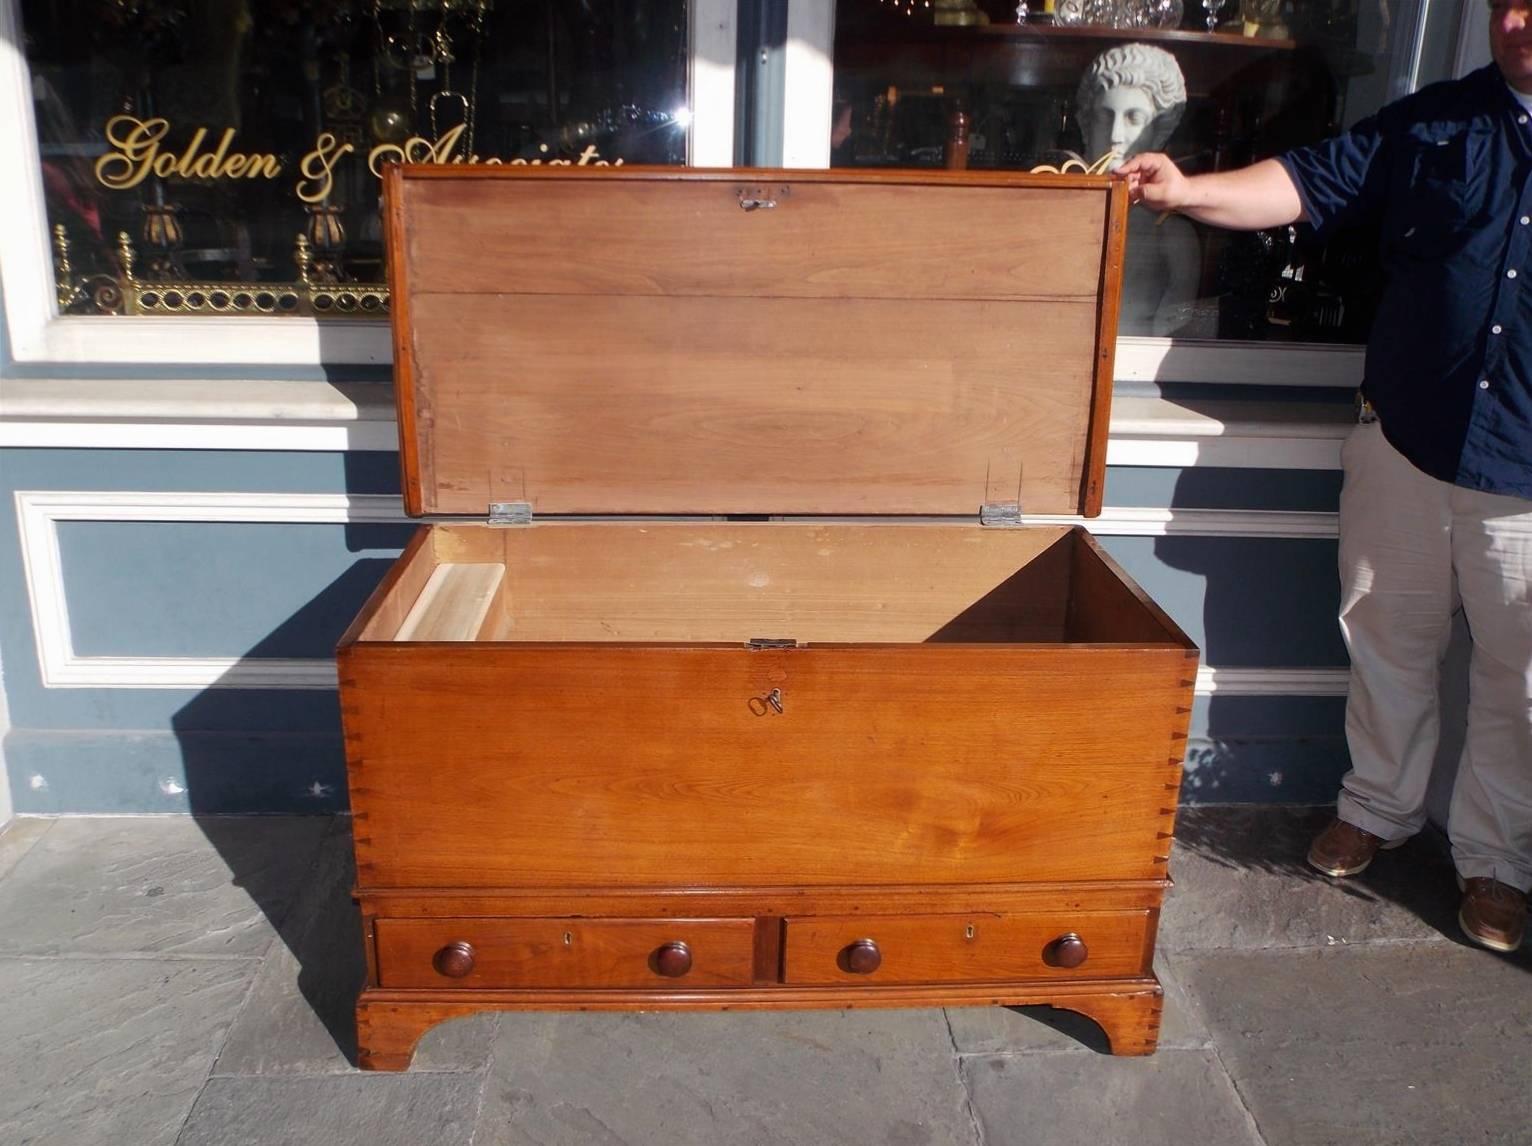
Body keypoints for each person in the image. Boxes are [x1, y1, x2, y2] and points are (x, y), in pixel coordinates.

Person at [1118, 1, 1532, 953]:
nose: (1515, 19)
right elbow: (1301, 184)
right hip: (1406, 446)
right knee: (1387, 637)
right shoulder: (1436, 118)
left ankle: (1497, 863)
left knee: (1519, 682)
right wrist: (1183, 191)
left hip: (1525, 470)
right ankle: (1379, 807)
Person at [1077, 44, 1205, 336]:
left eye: (1133, 118)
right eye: (1105, 116)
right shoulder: (1061, 215)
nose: (1115, 136)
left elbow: (1174, 330)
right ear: (1087, 121)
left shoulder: (1172, 234)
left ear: (1159, 130)